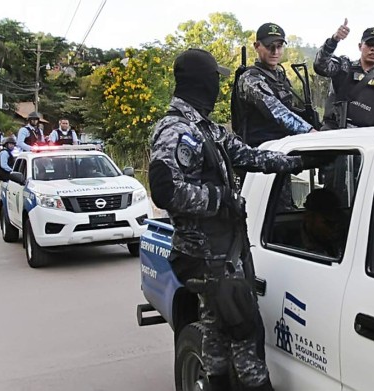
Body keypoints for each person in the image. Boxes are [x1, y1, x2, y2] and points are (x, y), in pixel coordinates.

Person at [149, 48, 325, 391]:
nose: (218, 84)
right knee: (245, 333)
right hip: (205, 255)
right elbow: (166, 192)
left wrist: (296, 161)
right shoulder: (175, 130)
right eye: (215, 77)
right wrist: (222, 199)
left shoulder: (207, 129)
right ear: (202, 81)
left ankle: (216, 383)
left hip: (224, 250)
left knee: (215, 328)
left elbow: (247, 155)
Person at [313, 19, 374, 129]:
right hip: (334, 135)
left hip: (363, 141)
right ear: (360, 46)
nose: (373, 49)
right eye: (369, 44)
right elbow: (320, 65)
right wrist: (334, 40)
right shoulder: (344, 67)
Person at [235, 22, 316, 148]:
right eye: (269, 46)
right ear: (257, 46)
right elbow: (276, 110)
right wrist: (310, 131)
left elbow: (293, 108)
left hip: (284, 147)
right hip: (259, 152)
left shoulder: (280, 77)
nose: (275, 52)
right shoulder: (250, 78)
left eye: (279, 46)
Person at [298, 188, 347, 257]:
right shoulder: (298, 250)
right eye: (328, 222)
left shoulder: (345, 226)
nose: (336, 228)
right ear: (309, 218)